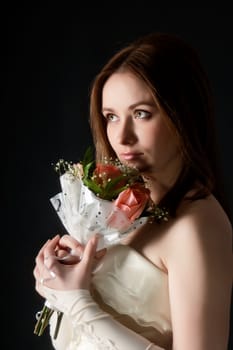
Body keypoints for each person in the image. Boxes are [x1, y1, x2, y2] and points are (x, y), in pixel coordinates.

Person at [33, 32, 233, 349]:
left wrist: (77, 302)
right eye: (111, 116)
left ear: (183, 114)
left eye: (141, 113)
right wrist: (60, 283)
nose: (122, 137)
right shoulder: (121, 210)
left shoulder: (197, 225)